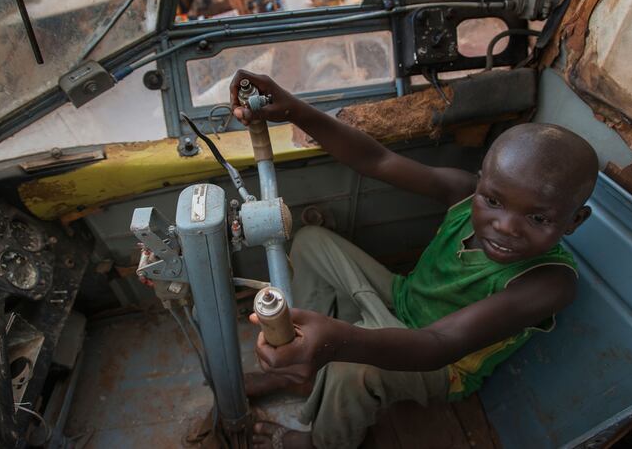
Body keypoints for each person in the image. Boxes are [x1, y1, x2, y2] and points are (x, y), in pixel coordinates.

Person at [230, 70, 600, 449]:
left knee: (348, 372)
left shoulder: (551, 283)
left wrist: (336, 343)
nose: (505, 226)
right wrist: (295, 110)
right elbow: (376, 160)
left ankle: (321, 442)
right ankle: (298, 371)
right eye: (493, 200)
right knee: (311, 242)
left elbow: (439, 343)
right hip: (401, 297)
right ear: (481, 183)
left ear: (574, 221)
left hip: (440, 363)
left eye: (537, 218)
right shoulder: (463, 194)